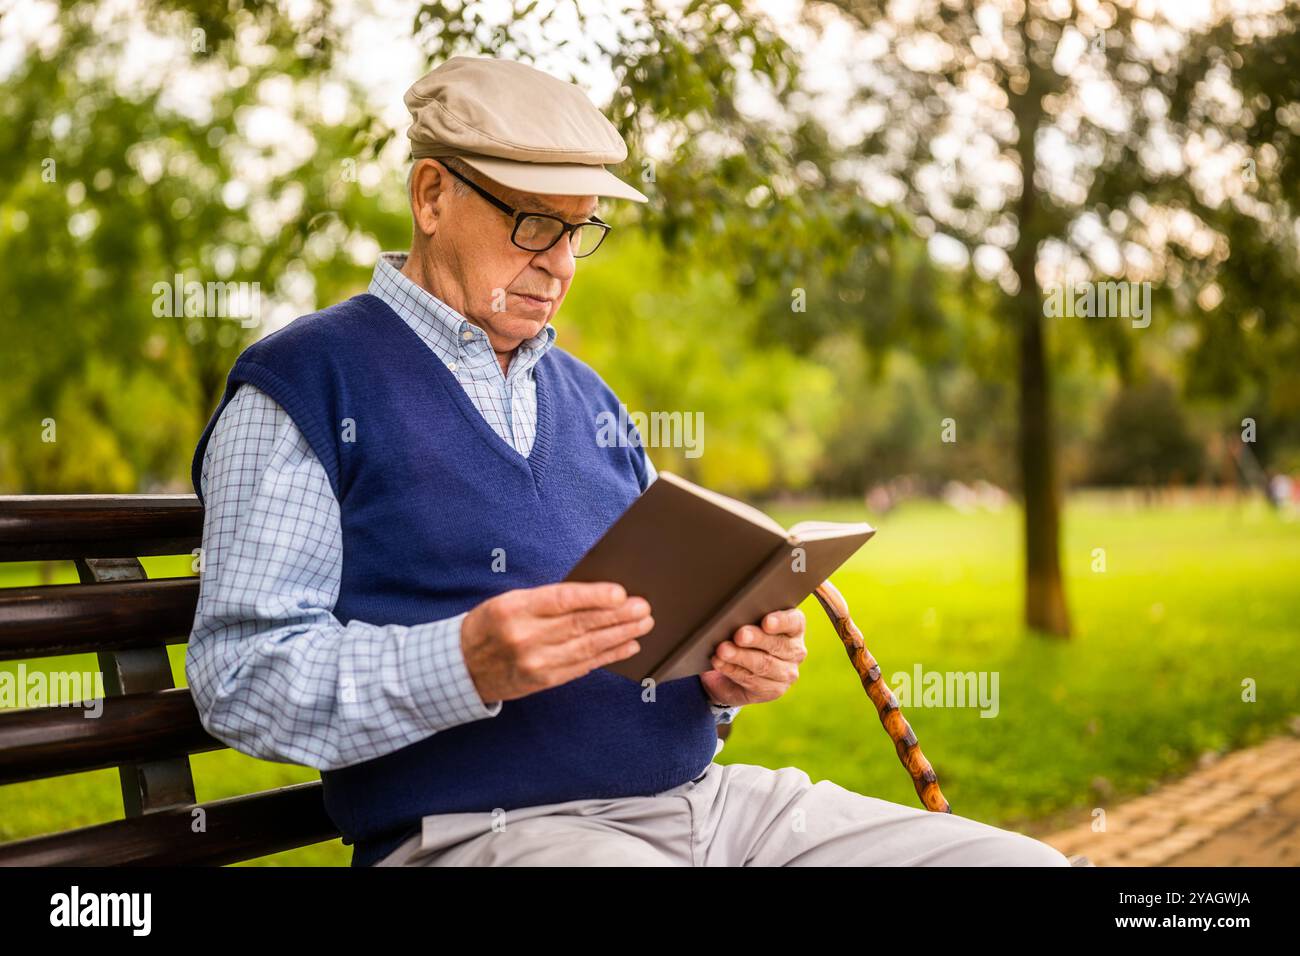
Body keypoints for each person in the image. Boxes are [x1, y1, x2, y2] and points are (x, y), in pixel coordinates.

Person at [186, 55, 1069, 868]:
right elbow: (240, 678)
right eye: (535, 225)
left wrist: (725, 675)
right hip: (487, 834)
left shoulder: (591, 400)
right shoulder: (306, 383)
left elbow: (661, 634)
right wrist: (463, 663)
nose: (562, 265)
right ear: (429, 195)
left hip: (712, 808)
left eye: (581, 231)